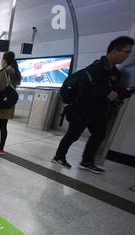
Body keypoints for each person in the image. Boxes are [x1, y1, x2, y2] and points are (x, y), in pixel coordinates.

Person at [52, 36, 134, 174]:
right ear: (114, 51)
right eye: (126, 52)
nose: (127, 56)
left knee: (99, 134)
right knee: (73, 135)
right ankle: (59, 157)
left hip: (97, 111)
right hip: (82, 109)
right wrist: (106, 91)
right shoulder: (96, 68)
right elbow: (84, 88)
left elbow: (113, 90)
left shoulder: (114, 72)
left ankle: (87, 161)